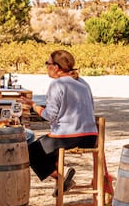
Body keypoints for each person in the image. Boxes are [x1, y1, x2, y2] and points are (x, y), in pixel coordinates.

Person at [20, 50, 98, 190]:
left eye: (47, 63)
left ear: (56, 67)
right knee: (46, 147)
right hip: (91, 137)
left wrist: (33, 106)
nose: (46, 67)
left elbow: (50, 115)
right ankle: (63, 181)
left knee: (29, 151)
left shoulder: (57, 84)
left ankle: (60, 176)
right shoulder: (82, 82)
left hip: (68, 137)